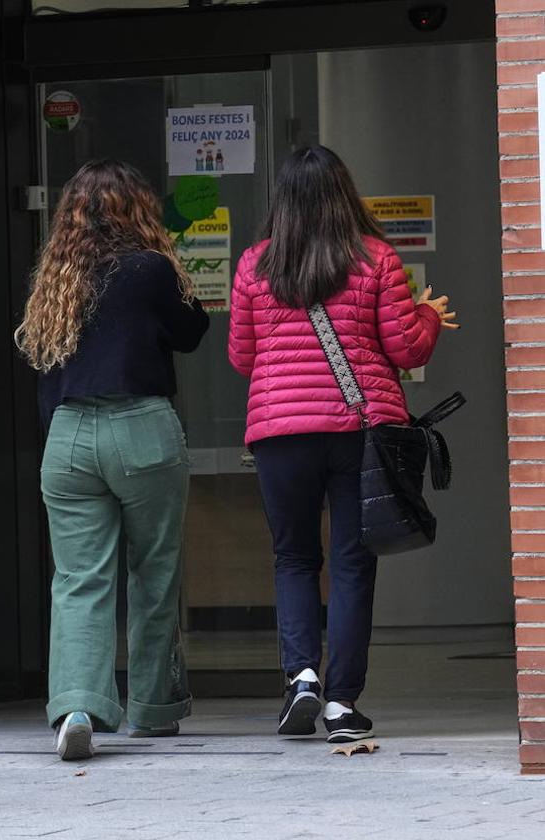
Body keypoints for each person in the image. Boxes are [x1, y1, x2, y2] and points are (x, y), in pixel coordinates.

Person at [227, 145, 457, 744]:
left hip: (280, 433)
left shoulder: (254, 265)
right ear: (343, 194)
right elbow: (405, 350)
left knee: (294, 557)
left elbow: (242, 356)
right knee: (354, 565)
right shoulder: (376, 257)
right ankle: (341, 704)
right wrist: (427, 316)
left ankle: (302, 679)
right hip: (358, 431)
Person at [15, 159, 210, 761]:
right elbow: (192, 331)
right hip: (141, 427)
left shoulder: (56, 275)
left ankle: (77, 705)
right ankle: (150, 710)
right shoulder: (150, 268)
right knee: (153, 572)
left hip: (68, 435)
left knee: (78, 579)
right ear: (137, 210)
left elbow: (43, 363)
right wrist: (174, 264)